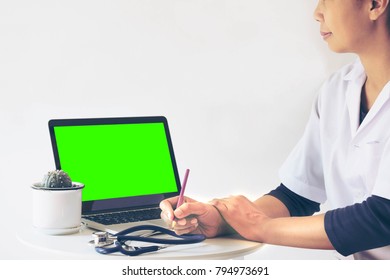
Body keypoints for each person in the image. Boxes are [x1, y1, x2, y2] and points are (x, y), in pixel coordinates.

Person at [160, 0, 390, 260]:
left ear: (375, 4)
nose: (317, 13)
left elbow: (382, 218)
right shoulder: (337, 90)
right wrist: (224, 220)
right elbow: (297, 195)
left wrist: (261, 227)